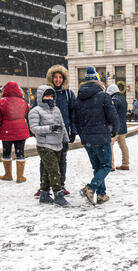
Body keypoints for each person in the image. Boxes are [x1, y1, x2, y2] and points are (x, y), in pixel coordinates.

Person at [74, 66, 120, 205]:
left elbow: (76, 119)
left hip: (87, 139)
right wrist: (115, 129)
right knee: (106, 166)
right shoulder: (103, 95)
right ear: (98, 82)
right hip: (101, 137)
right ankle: (91, 187)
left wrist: (82, 134)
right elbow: (113, 116)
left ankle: (102, 194)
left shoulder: (79, 98)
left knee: (98, 167)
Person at [33, 65, 77, 197]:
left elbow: (74, 113)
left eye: (60, 77)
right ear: (51, 78)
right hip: (46, 133)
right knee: (45, 160)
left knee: (62, 159)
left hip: (62, 133)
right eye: (55, 77)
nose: (58, 80)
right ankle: (43, 187)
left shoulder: (69, 94)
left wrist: (73, 131)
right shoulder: (43, 93)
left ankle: (61, 185)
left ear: (64, 79)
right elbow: (35, 111)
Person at [28, 86, 70, 206]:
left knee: (48, 170)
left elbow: (62, 125)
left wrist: (65, 140)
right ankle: (58, 195)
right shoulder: (35, 111)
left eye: (52, 96)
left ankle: (44, 195)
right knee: (54, 171)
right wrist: (50, 128)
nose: (50, 98)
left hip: (57, 144)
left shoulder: (56, 109)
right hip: (44, 145)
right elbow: (34, 129)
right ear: (41, 97)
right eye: (47, 96)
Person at [0, 82, 30, 183]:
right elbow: (28, 116)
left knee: (6, 153)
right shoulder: (24, 102)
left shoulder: (1, 102)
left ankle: (8, 175)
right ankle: (20, 177)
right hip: (21, 132)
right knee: (20, 153)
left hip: (6, 132)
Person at [107, 84, 129, 171]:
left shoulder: (114, 100)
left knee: (110, 145)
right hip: (123, 126)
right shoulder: (123, 99)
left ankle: (111, 165)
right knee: (123, 145)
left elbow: (112, 114)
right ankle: (125, 163)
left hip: (115, 127)